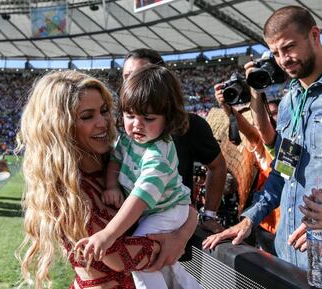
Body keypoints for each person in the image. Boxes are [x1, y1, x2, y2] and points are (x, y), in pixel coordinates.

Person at [17, 71, 198, 289]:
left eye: (104, 111)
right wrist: (172, 241)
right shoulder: (68, 191)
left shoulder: (122, 160)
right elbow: (120, 257)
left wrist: (183, 234)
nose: (103, 122)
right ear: (61, 128)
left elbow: (183, 206)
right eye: (87, 116)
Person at [203, 5, 322, 270]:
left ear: (314, 35)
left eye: (289, 47)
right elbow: (283, 170)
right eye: (276, 52)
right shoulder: (290, 101)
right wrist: (248, 221)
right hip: (287, 255)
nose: (283, 59)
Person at [76, 65, 200, 289]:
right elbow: (117, 158)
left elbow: (140, 197)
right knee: (166, 266)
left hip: (167, 210)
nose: (136, 125)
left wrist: (108, 234)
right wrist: (112, 185)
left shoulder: (157, 154)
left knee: (142, 262)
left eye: (148, 118)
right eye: (129, 116)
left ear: (168, 118)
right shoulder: (129, 139)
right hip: (163, 209)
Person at [122, 48, 227, 233]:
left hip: (170, 228)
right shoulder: (123, 122)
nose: (132, 82)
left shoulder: (190, 124)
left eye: (141, 74)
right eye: (126, 76)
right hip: (124, 226)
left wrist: (209, 215)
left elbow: (217, 166)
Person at [213, 87, 280, 255]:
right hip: (266, 225)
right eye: (269, 114)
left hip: (295, 228)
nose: (275, 117)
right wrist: (227, 107)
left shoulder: (301, 145)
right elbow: (250, 130)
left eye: (278, 112)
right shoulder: (265, 145)